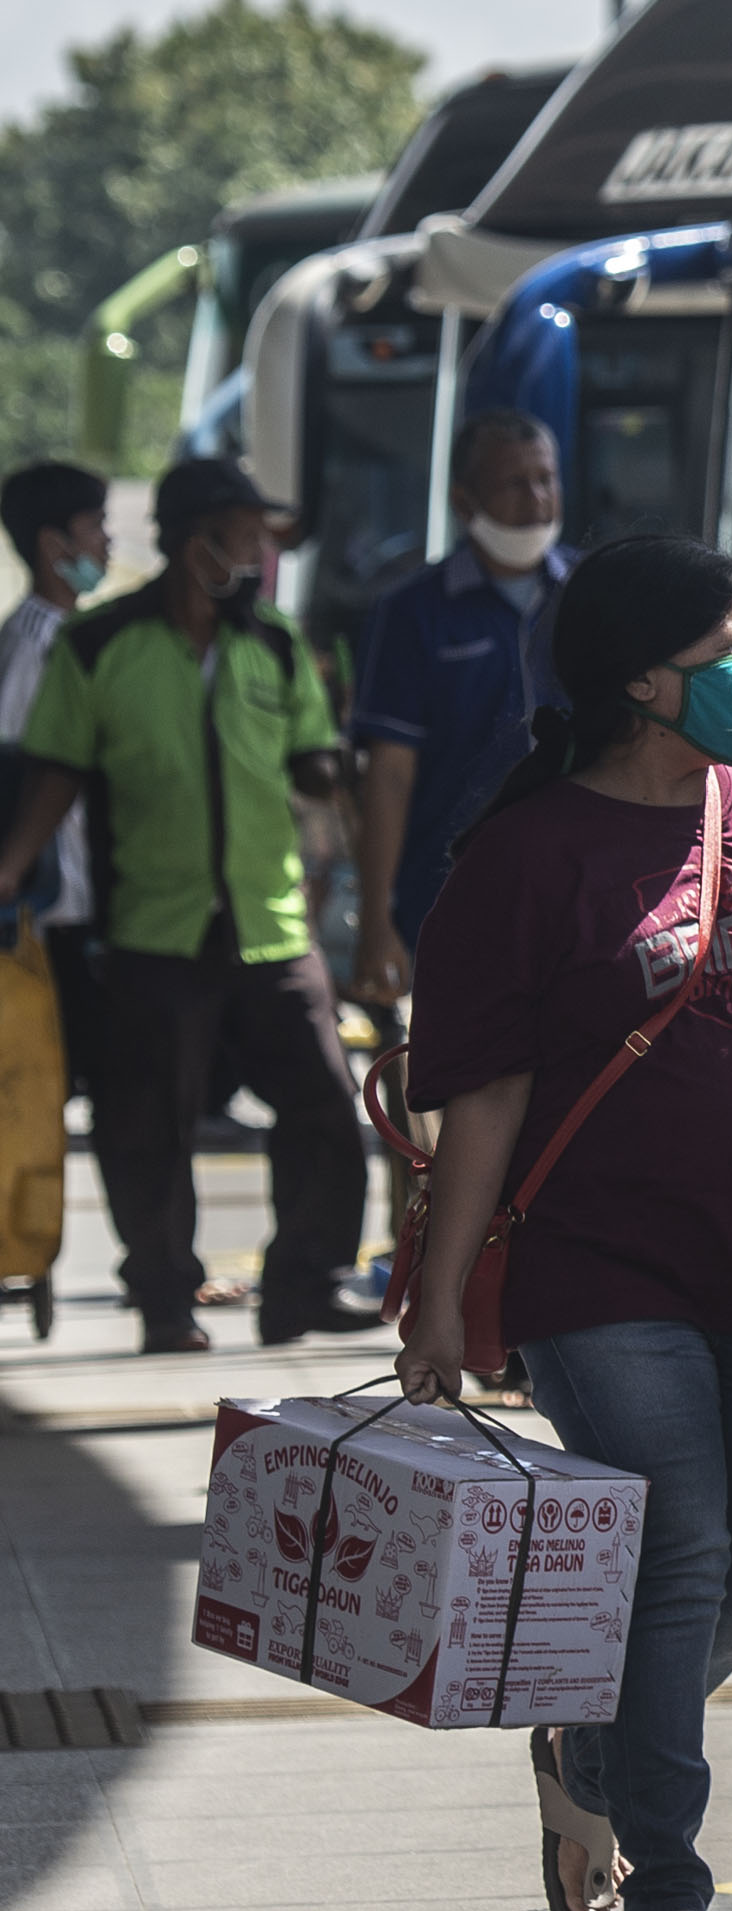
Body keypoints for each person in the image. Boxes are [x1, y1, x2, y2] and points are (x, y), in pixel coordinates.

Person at [396, 535, 732, 1911]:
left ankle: (592, 1753)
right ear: (637, 683)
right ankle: (672, 1898)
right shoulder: (529, 856)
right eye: (723, 650)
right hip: (602, 1270)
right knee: (678, 1553)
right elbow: (483, 1096)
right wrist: (437, 1300)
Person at [0, 458, 372, 1353]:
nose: (257, 558)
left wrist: (353, 813)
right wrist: (8, 871)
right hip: (151, 928)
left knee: (324, 1105)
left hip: (270, 925)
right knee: (146, 1125)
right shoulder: (99, 646)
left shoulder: (274, 643)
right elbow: (56, 771)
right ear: (192, 542)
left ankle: (303, 1285)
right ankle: (164, 1300)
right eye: (242, 539)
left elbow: (315, 765)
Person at [349, 409, 572, 1006]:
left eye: (546, 479)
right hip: (451, 895)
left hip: (580, 891)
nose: (537, 499)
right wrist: (375, 918)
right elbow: (389, 775)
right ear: (463, 499)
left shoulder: (593, 592)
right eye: (514, 483)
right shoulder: (412, 612)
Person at [0, 460, 114, 1104]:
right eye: (95, 525)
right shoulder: (38, 647)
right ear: (54, 545)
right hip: (51, 905)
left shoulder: (65, 637)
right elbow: (22, 772)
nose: (108, 542)